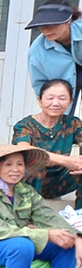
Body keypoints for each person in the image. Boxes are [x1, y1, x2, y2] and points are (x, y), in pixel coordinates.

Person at [12, 79, 82, 208]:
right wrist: (66, 161)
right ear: (40, 100)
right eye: (50, 98)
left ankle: (80, 217)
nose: (55, 103)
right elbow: (24, 149)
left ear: (70, 102)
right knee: (36, 163)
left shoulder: (73, 123)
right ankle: (29, 216)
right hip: (27, 181)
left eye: (62, 98)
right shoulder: (25, 125)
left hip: (59, 181)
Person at [26, 0, 82, 114]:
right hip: (64, 87)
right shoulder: (37, 50)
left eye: (51, 25)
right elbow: (40, 83)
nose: (46, 30)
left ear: (68, 21)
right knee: (61, 122)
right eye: (42, 26)